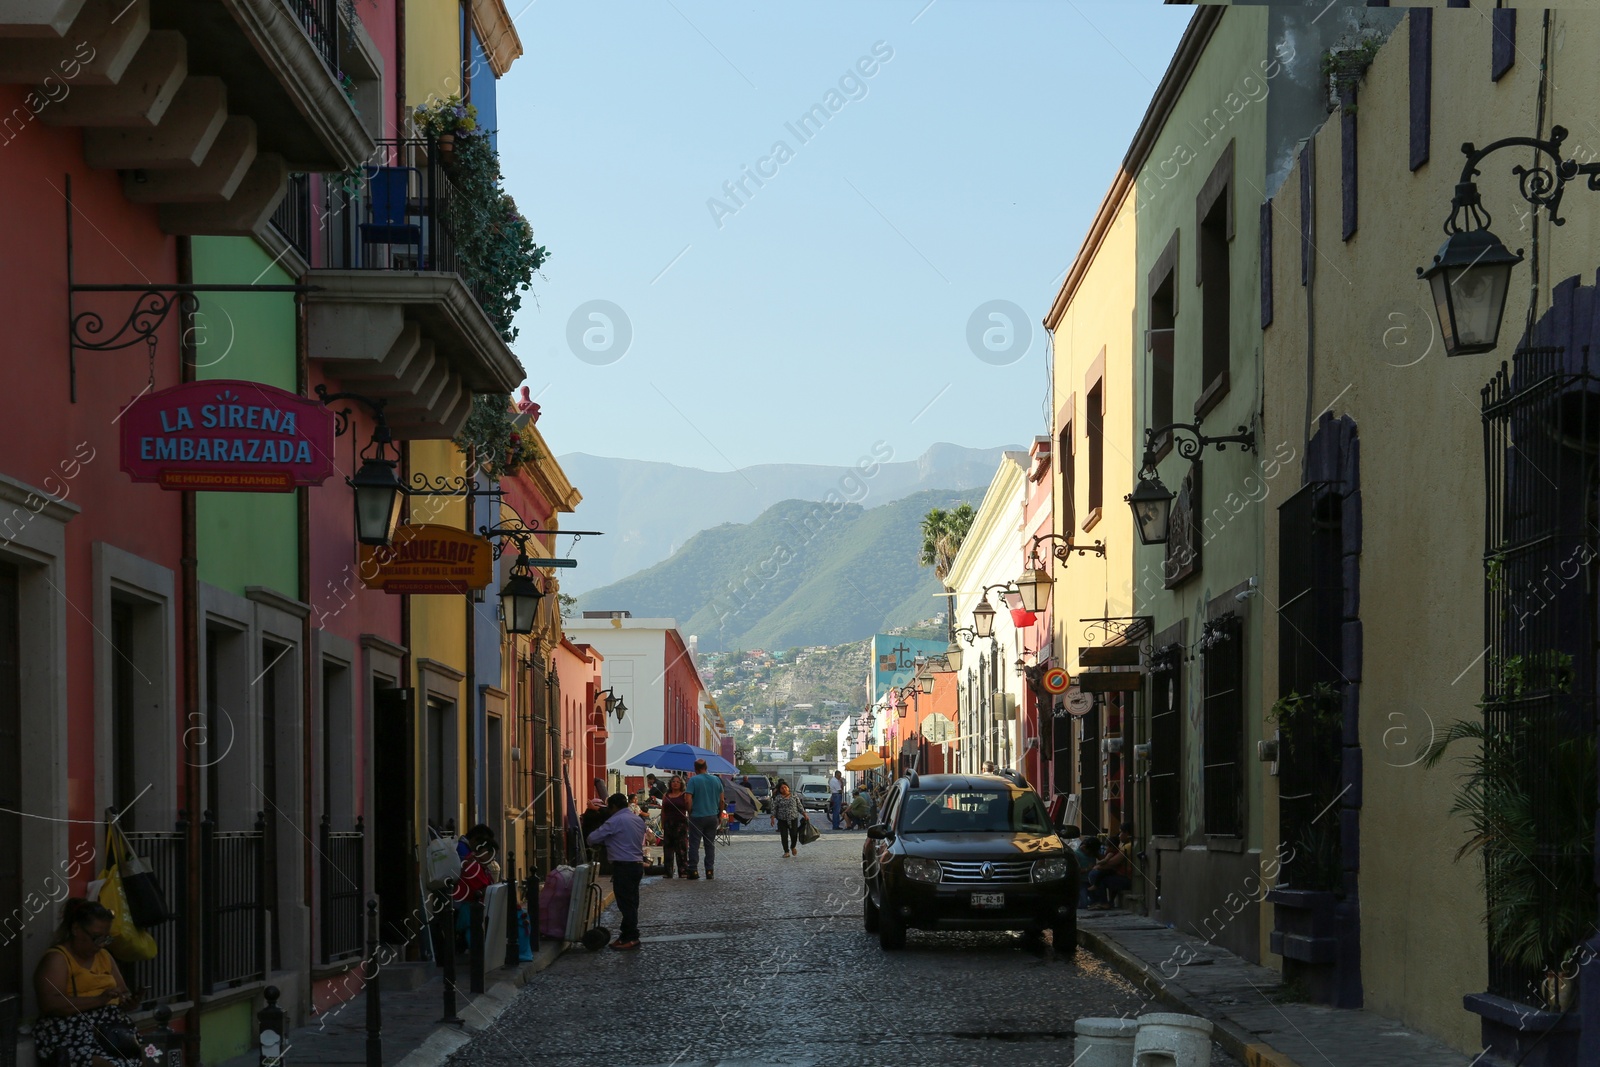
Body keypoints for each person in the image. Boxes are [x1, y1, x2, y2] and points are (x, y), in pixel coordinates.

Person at [32, 898, 145, 1067]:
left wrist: (128, 1001)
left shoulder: (104, 956)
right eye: (96, 938)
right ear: (76, 929)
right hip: (70, 1030)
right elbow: (50, 1003)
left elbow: (122, 991)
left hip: (110, 1031)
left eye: (106, 939)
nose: (101, 945)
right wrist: (99, 1000)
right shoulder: (58, 958)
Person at [586, 793, 647, 950]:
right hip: (637, 864)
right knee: (632, 902)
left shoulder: (615, 820)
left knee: (626, 904)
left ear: (613, 807)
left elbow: (593, 838)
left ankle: (632, 937)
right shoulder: (637, 819)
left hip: (623, 866)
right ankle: (625, 935)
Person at [683, 758, 725, 880]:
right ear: (706, 767)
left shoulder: (693, 780)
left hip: (697, 816)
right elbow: (722, 800)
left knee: (694, 844)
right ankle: (709, 870)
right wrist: (720, 814)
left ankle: (693, 870)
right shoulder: (716, 780)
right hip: (712, 816)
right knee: (709, 844)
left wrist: (690, 812)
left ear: (695, 769)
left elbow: (688, 799)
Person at [1086, 832, 1134, 910]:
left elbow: (1111, 863)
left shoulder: (1127, 847)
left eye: (1121, 832)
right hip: (1118, 874)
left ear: (1126, 833)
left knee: (1095, 875)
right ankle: (1107, 902)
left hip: (1125, 877)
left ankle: (1103, 902)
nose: (1119, 835)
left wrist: (1097, 866)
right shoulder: (1122, 846)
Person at [659, 775, 692, 879]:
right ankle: (668, 871)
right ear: (670, 783)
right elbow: (663, 811)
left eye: (678, 781)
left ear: (681, 784)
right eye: (673, 781)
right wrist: (663, 824)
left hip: (681, 824)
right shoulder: (666, 795)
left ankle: (683, 871)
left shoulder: (684, 795)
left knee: (681, 848)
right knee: (668, 848)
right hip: (669, 824)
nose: (675, 783)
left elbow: (688, 808)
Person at [768, 781, 806, 857]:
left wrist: (805, 815)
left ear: (788, 788)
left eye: (785, 787)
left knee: (794, 834)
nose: (784, 789)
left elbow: (799, 806)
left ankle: (793, 847)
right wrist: (772, 818)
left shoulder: (794, 796)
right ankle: (786, 851)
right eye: (782, 788)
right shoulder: (778, 798)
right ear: (780, 790)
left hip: (793, 818)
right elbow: (774, 808)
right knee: (784, 836)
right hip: (782, 819)